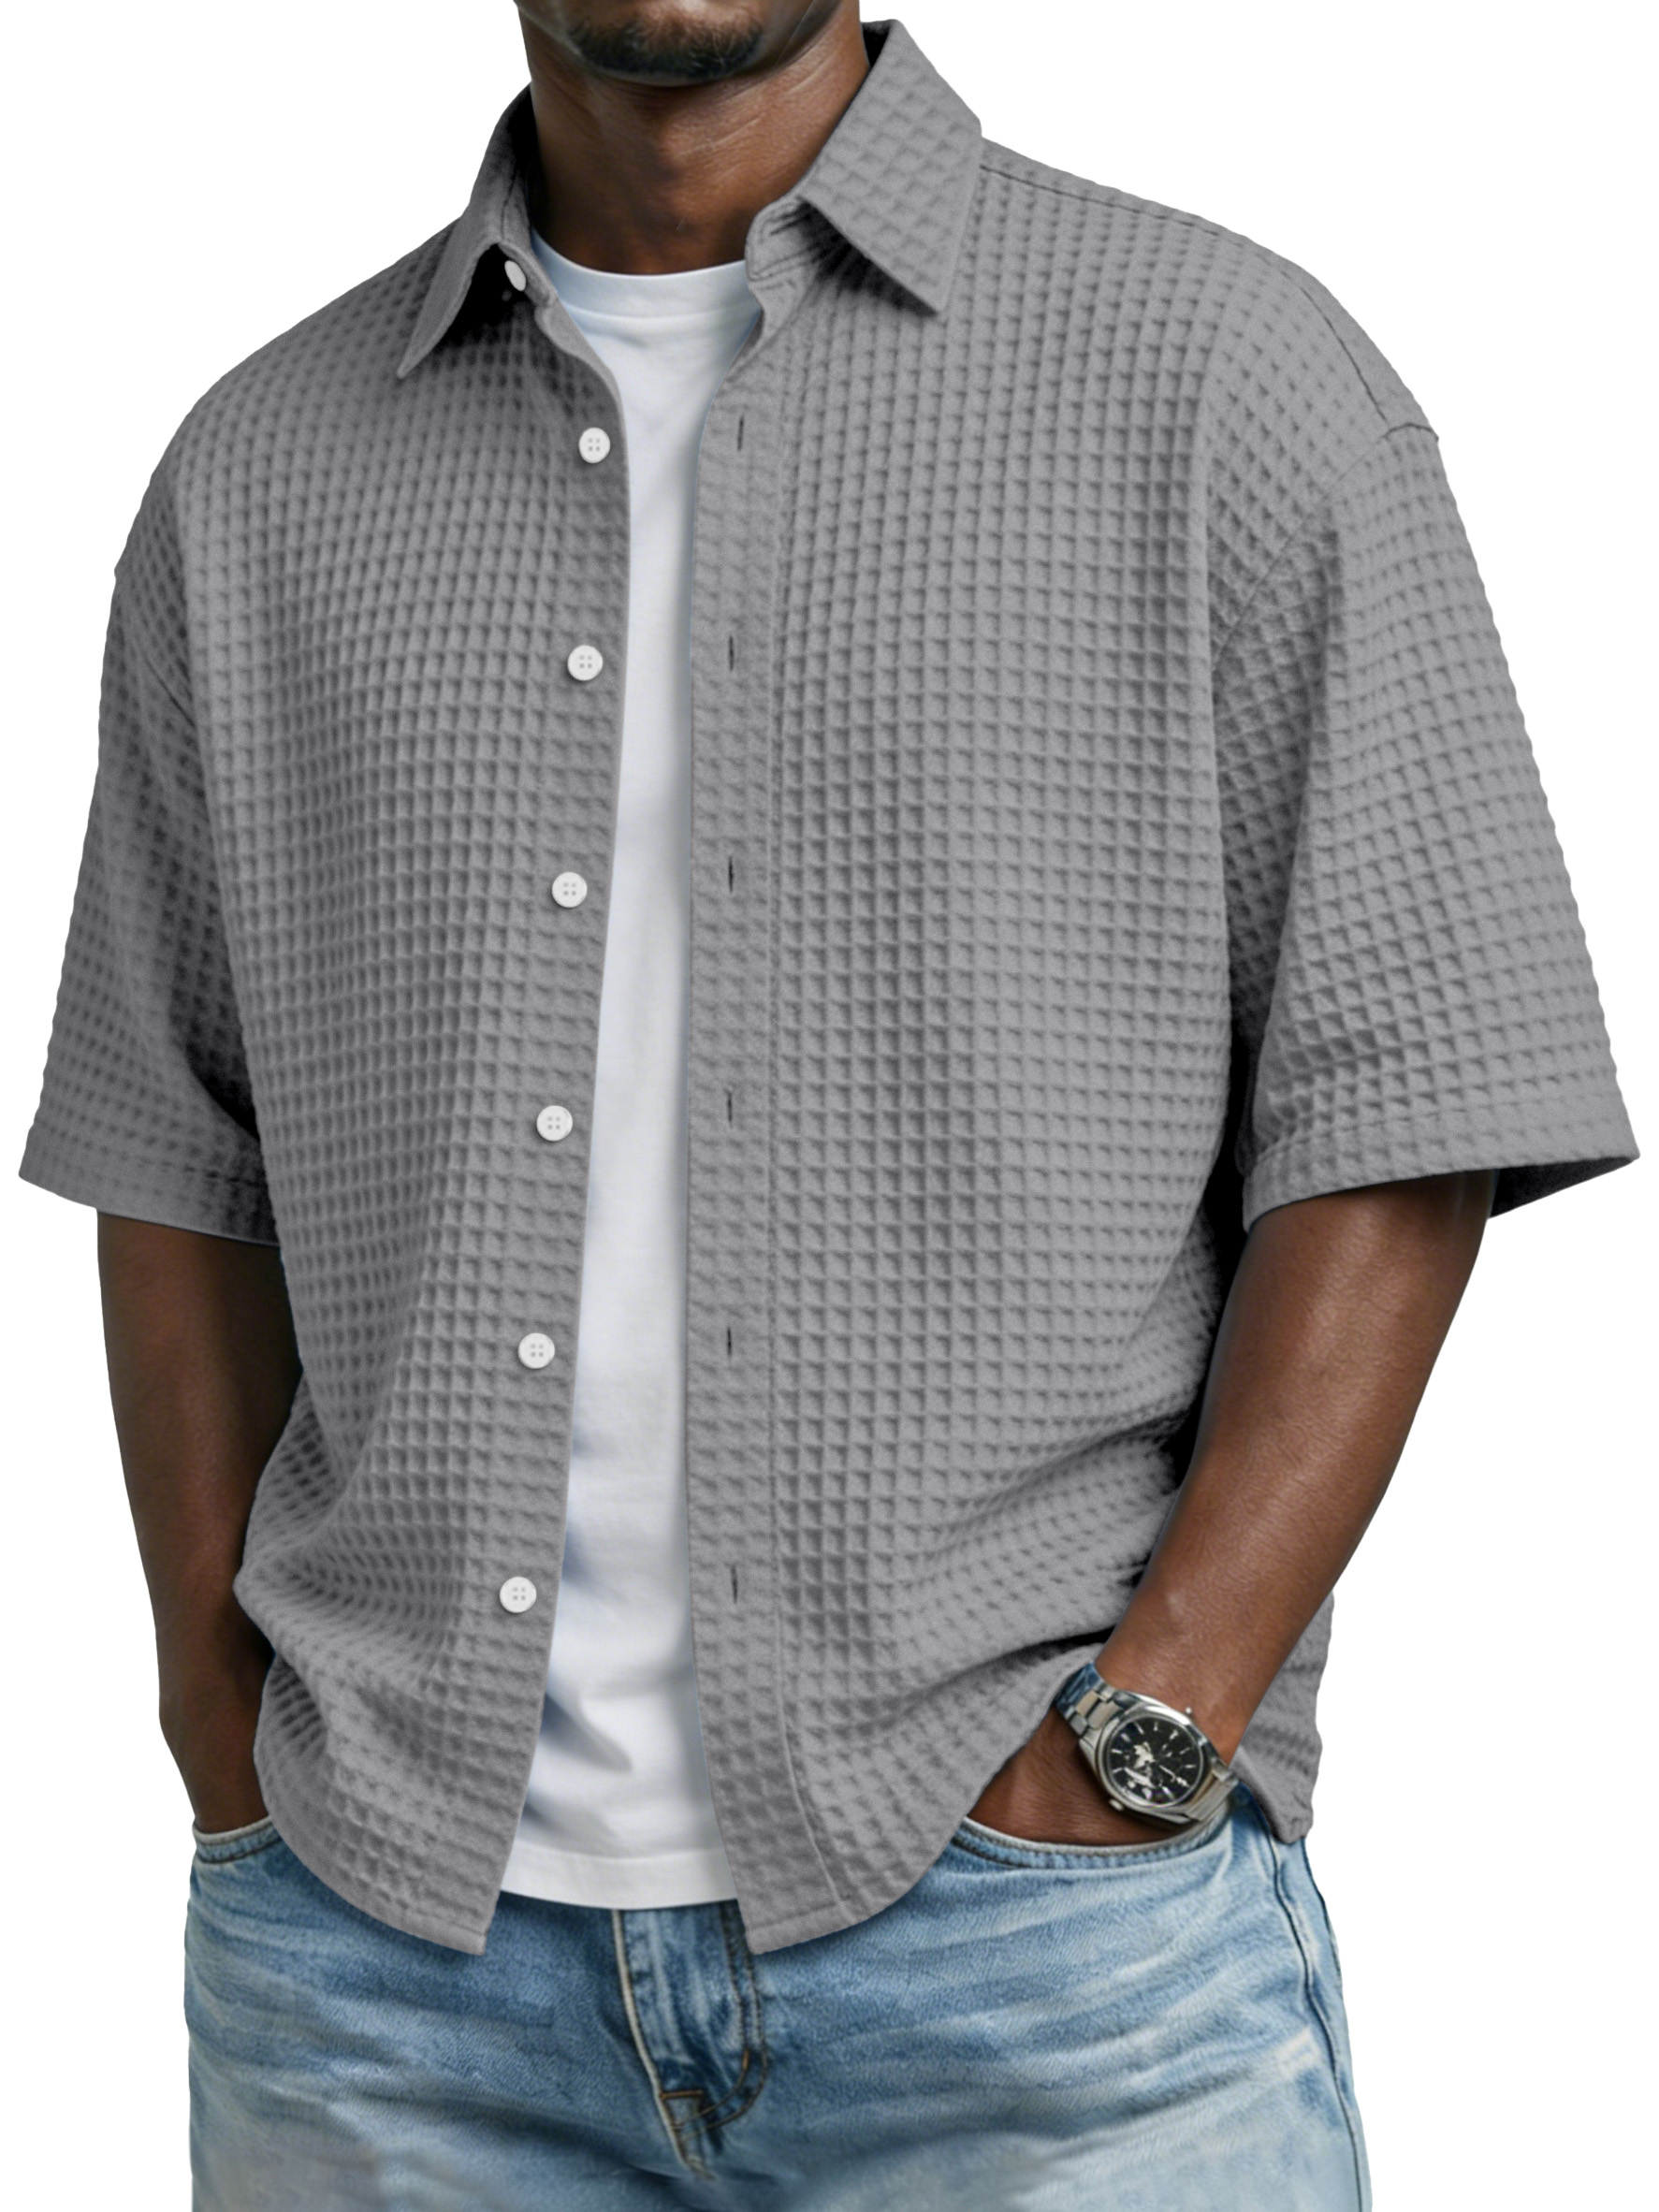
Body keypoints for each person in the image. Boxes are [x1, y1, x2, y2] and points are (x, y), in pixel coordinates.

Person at [19, 5, 1638, 2206]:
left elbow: (1402, 1102)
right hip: (381, 1975)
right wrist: (222, 1745)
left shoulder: (1224, 378)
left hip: (1045, 1964)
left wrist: (1152, 1726)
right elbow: (174, 1150)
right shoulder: (259, 470)